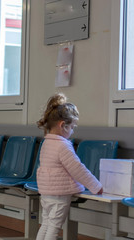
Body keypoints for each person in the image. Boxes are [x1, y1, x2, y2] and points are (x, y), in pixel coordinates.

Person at [35, 93, 103, 240]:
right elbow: (77, 169)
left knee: (46, 224)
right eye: (72, 126)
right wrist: (95, 186)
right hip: (59, 194)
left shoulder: (47, 142)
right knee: (54, 228)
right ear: (62, 125)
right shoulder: (62, 145)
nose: (72, 130)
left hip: (46, 192)